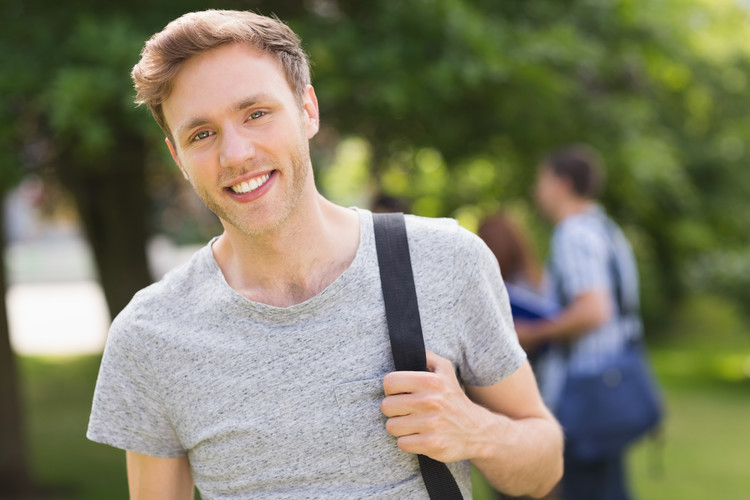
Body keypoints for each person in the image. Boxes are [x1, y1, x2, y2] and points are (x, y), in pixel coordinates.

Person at [86, 10, 563, 500]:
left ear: (308, 110)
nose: (235, 154)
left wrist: (474, 429)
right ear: (178, 158)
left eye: (256, 113)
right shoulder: (151, 335)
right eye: (201, 134)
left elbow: (544, 464)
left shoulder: (444, 262)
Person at [516, 144, 645, 500]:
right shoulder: (605, 229)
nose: (536, 191)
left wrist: (533, 332)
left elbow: (594, 310)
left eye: (541, 181)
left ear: (563, 183)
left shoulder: (575, 234)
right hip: (611, 384)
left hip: (584, 392)